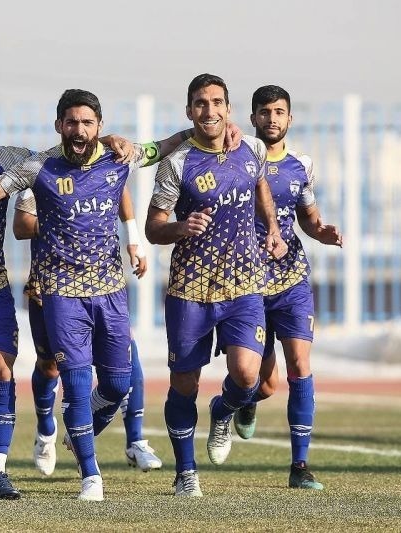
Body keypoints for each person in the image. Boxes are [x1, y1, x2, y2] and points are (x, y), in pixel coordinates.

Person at [0, 88, 199, 501]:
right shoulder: (39, 166)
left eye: (87, 123)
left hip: (110, 290)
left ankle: (76, 432)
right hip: (59, 293)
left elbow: (159, 148)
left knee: (118, 383)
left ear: (99, 126)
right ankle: (88, 475)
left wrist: (199, 130)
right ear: (59, 126)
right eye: (71, 122)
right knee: (61, 382)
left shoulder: (118, 156)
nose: (78, 130)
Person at [144, 73, 287, 497]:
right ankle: (185, 472)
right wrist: (180, 227)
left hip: (244, 284)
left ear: (228, 108)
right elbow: (153, 228)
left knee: (247, 375)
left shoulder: (252, 148)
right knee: (184, 384)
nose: (210, 110)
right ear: (190, 111)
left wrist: (273, 228)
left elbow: (260, 186)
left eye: (217, 102)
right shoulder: (176, 163)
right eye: (201, 103)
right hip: (190, 290)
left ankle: (223, 410)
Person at [232, 85, 342, 491]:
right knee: (263, 384)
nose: (272, 119)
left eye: (279, 112)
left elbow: (308, 216)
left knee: (299, 363)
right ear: (253, 118)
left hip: (291, 278)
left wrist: (321, 231)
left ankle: (300, 466)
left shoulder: (302, 165)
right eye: (264, 112)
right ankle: (239, 403)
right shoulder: (237, 162)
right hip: (247, 283)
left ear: (290, 118)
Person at [12, 186, 162, 476]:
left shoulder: (103, 168)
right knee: (51, 366)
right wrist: (66, 220)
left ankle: (134, 440)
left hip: (102, 282)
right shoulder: (41, 172)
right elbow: (21, 225)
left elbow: (121, 187)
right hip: (52, 286)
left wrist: (133, 238)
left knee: (126, 354)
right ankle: (46, 430)